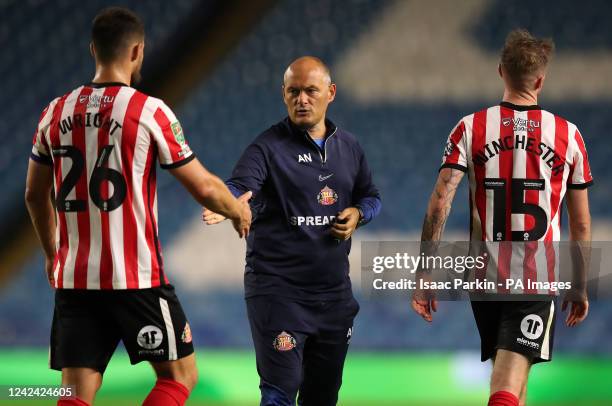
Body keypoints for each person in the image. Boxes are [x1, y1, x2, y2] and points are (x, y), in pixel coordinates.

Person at [24, 7, 251, 406]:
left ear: (93, 50)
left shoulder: (54, 112)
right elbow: (202, 185)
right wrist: (237, 209)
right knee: (180, 376)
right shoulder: (149, 111)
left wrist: (51, 253)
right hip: (136, 276)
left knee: (76, 392)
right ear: (137, 52)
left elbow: (33, 195)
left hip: (75, 278)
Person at [411, 29, 592, 406]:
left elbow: (439, 203)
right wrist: (579, 283)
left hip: (485, 279)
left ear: (500, 72)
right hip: (536, 281)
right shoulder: (568, 135)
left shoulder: (469, 128)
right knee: (506, 387)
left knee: (515, 383)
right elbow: (581, 224)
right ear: (540, 80)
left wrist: (425, 272)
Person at [203, 56, 381, 406]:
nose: (302, 99)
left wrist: (359, 213)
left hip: (333, 297)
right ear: (283, 95)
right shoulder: (266, 147)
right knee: (278, 393)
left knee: (322, 398)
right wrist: (227, 203)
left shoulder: (350, 147)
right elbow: (240, 183)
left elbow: (371, 196)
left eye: (311, 91)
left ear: (330, 93)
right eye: (293, 91)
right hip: (278, 293)